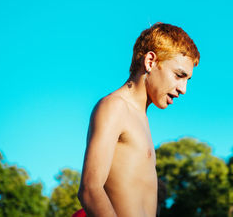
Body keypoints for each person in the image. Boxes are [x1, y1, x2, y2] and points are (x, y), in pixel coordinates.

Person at [75, 23, 200, 217]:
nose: (183, 89)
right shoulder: (115, 107)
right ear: (150, 61)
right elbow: (90, 190)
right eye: (178, 75)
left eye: (187, 80)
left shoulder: (141, 119)